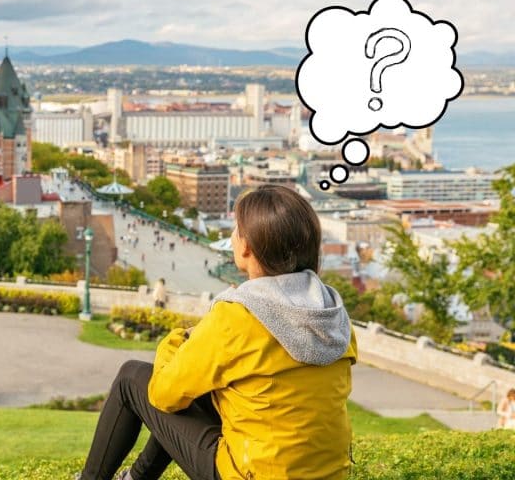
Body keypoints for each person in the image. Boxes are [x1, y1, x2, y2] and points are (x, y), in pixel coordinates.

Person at [76, 185, 357, 480]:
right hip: (330, 473)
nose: (232, 236)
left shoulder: (238, 317)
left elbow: (163, 395)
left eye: (236, 230)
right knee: (203, 389)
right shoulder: (332, 315)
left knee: (131, 377)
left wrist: (178, 340)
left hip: (254, 474)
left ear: (247, 247)